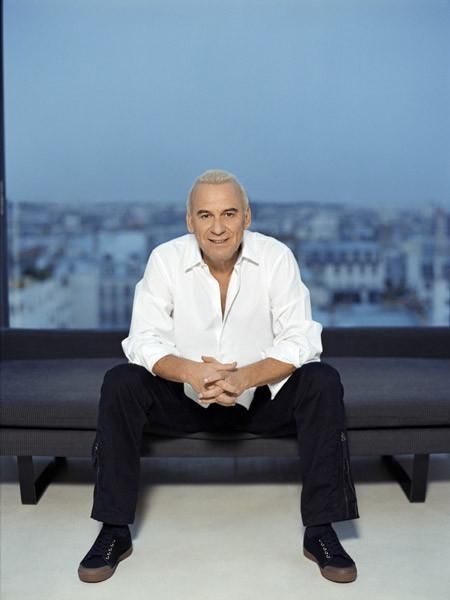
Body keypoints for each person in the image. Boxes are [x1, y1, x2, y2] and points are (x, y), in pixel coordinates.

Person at [78, 169, 359, 584]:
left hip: (259, 401)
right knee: (121, 381)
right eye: (205, 215)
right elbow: (144, 340)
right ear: (189, 221)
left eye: (228, 214)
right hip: (185, 400)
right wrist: (192, 371)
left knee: (322, 380)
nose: (218, 228)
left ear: (247, 216)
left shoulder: (276, 257)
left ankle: (321, 530)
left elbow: (301, 338)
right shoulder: (165, 259)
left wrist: (245, 377)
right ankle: (114, 529)